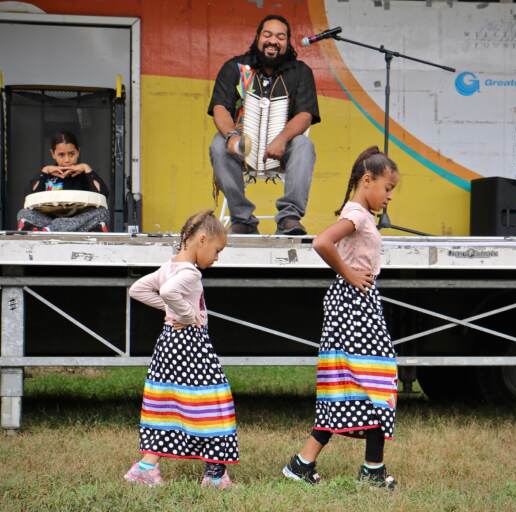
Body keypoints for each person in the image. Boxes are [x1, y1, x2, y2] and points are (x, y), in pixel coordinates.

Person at [282, 146, 400, 489]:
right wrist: (349, 274)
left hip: (357, 303)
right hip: (353, 305)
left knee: (356, 386)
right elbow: (322, 243)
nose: (389, 196)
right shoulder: (358, 215)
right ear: (367, 180)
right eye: (387, 188)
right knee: (376, 382)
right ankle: (371, 471)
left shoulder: (360, 213)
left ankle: (304, 464)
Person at [123, 210, 238, 489]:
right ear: (201, 240)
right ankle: (214, 475)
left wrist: (172, 310)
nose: (217, 258)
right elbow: (168, 293)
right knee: (213, 404)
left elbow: (137, 289)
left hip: (168, 343)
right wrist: (186, 314)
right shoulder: (190, 272)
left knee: (167, 403)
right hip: (191, 343)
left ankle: (146, 468)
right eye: (217, 250)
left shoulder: (169, 266)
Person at [208, 14, 320, 236]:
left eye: (280, 36)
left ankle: (289, 217)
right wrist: (231, 136)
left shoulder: (300, 72)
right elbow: (220, 107)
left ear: (288, 42)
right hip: (243, 145)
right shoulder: (235, 68)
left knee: (305, 146)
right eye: (267, 34)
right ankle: (242, 219)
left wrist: (281, 139)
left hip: (282, 148)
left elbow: (305, 115)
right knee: (217, 145)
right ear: (257, 37)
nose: (273, 41)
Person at [16, 132, 110, 232]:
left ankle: (51, 229)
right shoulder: (46, 175)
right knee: (23, 213)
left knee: (103, 213)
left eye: (71, 154)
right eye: (61, 155)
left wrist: (86, 168)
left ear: (78, 152)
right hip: (53, 220)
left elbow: (103, 195)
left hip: (79, 219)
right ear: (53, 154)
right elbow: (29, 198)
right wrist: (44, 171)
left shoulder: (86, 175)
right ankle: (65, 229)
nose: (67, 160)